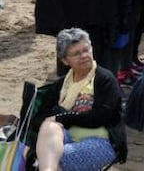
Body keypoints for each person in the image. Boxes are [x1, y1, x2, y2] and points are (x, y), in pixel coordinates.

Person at [31, 28, 127, 171]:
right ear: (64, 60)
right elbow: (39, 119)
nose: (83, 56)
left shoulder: (104, 79)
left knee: (48, 158)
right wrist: (57, 119)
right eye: (76, 53)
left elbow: (101, 117)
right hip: (64, 138)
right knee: (48, 128)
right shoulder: (61, 85)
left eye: (86, 50)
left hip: (101, 141)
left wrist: (62, 118)